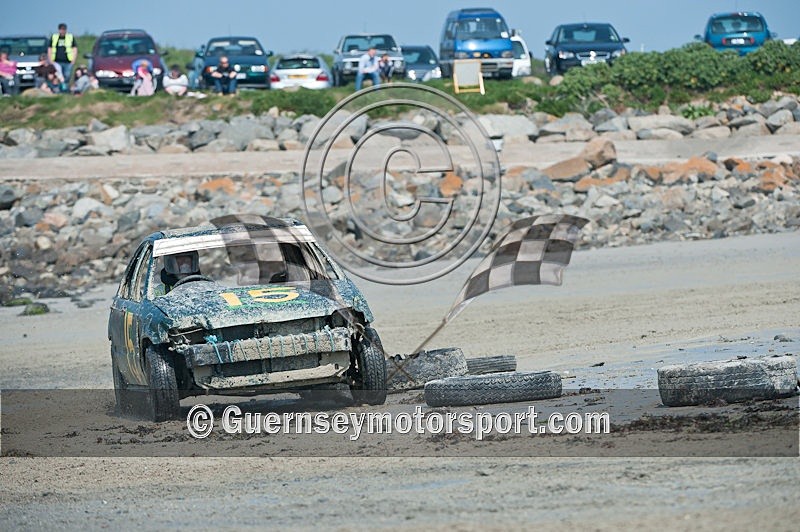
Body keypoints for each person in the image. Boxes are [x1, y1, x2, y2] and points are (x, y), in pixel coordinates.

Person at [47, 23, 77, 92]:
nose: (63, 31)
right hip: (57, 61)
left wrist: (74, 59)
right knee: (59, 76)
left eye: (64, 30)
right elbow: (50, 48)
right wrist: (50, 59)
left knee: (67, 75)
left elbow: (74, 48)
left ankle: (65, 89)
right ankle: (59, 89)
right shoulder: (54, 37)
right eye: (61, 29)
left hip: (68, 61)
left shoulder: (70, 37)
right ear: (59, 30)